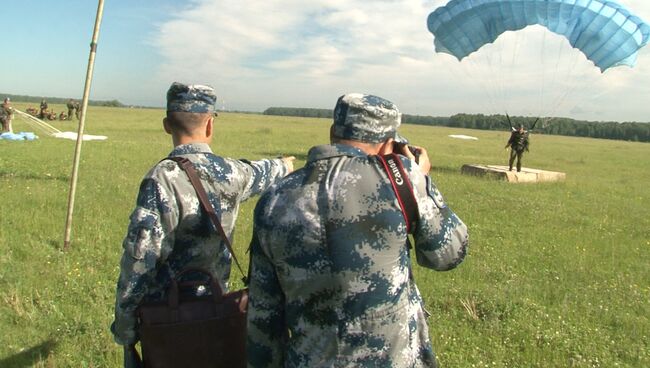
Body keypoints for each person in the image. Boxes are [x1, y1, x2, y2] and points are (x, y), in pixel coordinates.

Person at [247, 93, 469, 367]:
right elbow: (449, 253)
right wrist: (420, 178)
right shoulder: (404, 179)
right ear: (390, 145)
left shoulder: (275, 197)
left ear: (332, 133)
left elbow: (263, 315)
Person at [111, 82, 295, 365]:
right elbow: (262, 172)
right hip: (216, 309)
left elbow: (140, 259)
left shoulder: (162, 178)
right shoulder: (232, 173)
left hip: (166, 318)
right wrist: (284, 164)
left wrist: (125, 326)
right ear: (210, 125)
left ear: (166, 125)